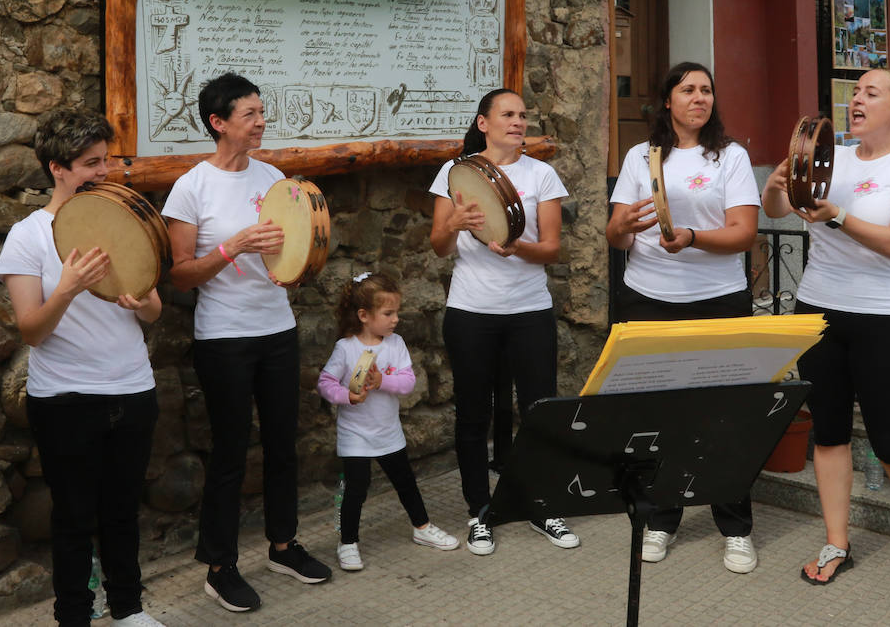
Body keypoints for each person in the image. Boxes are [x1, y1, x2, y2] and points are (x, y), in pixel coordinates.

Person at [762, 68, 890, 611]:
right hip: (820, 311)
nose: (856, 101)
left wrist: (840, 215)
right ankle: (836, 542)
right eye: (855, 93)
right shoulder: (831, 158)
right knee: (828, 434)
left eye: (872, 93)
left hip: (886, 320)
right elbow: (780, 213)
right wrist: (775, 188)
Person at [162, 72, 331, 613]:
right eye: (250, 114)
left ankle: (283, 546)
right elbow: (181, 275)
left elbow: (292, 255)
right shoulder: (191, 187)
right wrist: (234, 246)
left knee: (284, 443)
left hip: (276, 329)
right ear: (218, 123)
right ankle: (220, 566)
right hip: (225, 337)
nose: (261, 122)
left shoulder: (274, 177)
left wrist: (300, 261)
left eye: (262, 112)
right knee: (231, 452)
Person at [0, 110, 165, 627]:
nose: (103, 171)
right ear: (57, 168)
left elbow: (155, 310)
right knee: (72, 517)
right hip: (65, 397)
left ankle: (128, 609)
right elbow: (31, 330)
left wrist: (138, 303)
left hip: (133, 388)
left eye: (106, 160)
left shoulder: (122, 218)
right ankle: (73, 614)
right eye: (91, 163)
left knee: (122, 510)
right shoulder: (27, 237)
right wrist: (67, 288)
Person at [605, 62, 761, 574]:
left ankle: (735, 528)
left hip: (718, 300)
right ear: (667, 99)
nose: (700, 97)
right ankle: (661, 519)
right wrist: (622, 225)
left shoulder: (730, 157)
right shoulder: (640, 157)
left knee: (724, 417)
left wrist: (692, 237)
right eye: (688, 89)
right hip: (648, 299)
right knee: (659, 418)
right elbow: (617, 235)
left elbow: (743, 234)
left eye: (707, 90)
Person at [428, 88, 577, 555]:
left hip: (529, 310)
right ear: (483, 123)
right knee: (473, 414)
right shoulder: (455, 173)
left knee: (539, 411)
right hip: (471, 311)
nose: (518, 122)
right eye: (507, 115)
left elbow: (552, 249)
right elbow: (437, 245)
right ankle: (480, 512)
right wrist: (453, 223)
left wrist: (519, 248)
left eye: (522, 115)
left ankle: (541, 504)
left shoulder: (542, 174)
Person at [317, 272, 459, 571]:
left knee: (405, 482)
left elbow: (407, 383)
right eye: (388, 313)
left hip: (388, 432)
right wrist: (347, 396)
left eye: (396, 312)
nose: (395, 319)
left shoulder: (396, 344)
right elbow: (325, 383)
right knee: (356, 488)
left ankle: (422, 528)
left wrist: (382, 380)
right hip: (354, 434)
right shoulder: (346, 348)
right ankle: (348, 541)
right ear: (364, 316)